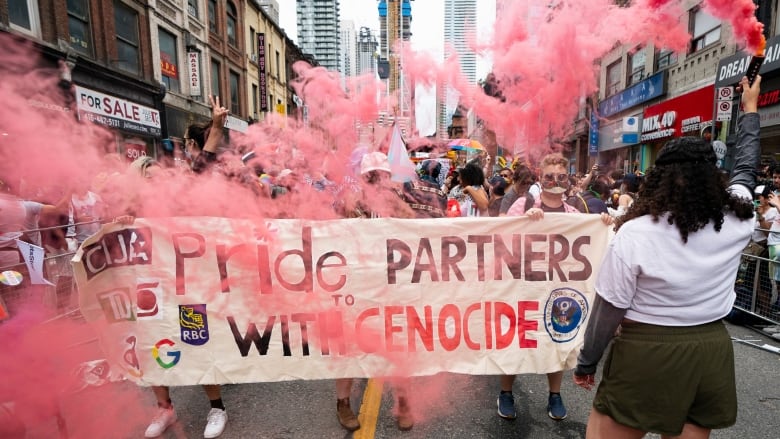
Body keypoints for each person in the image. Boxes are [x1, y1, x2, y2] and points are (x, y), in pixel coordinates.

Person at [573, 75, 761, 438]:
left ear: (658, 178)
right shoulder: (739, 218)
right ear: (713, 177)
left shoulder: (637, 233)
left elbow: (608, 310)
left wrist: (587, 362)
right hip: (711, 348)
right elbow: (746, 169)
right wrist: (749, 109)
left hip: (648, 350)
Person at [499, 153, 612, 422]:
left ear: (568, 180)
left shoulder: (574, 213)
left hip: (558, 290)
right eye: (549, 176)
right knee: (516, 340)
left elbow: (588, 243)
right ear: (541, 178)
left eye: (561, 176)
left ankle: (555, 394)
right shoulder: (523, 203)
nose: (555, 181)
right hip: (524, 288)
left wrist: (602, 225)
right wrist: (524, 220)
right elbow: (501, 235)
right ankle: (505, 392)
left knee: (558, 340)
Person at [145, 95, 230, 439]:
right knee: (152, 347)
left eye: (157, 175)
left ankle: (216, 408)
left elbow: (203, 165)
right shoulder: (131, 209)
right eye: (147, 176)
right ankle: (164, 409)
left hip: (186, 284)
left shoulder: (181, 194)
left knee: (196, 340)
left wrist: (218, 127)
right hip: (150, 289)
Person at [335, 151, 414, 432]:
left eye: (382, 175)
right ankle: (343, 402)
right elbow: (327, 238)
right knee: (349, 345)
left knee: (397, 343)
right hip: (355, 285)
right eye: (372, 175)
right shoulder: (348, 202)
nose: (378, 180)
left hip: (390, 285)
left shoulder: (397, 202)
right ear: (363, 177)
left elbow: (422, 229)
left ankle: (403, 400)